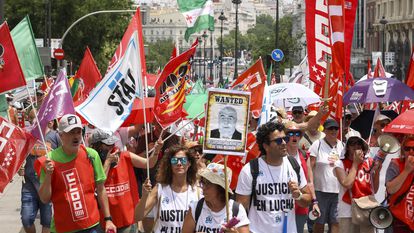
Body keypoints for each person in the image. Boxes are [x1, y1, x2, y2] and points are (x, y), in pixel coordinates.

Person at [38, 114, 116, 233]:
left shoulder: (91, 155)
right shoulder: (49, 160)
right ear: (61, 135)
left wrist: (108, 219)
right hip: (63, 228)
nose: (75, 136)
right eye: (71, 132)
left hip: (91, 226)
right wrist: (48, 175)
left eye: (78, 132)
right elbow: (44, 199)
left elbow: (100, 189)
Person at [236, 121, 312, 233]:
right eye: (277, 140)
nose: (283, 143)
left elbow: (307, 200)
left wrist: (299, 196)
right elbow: (240, 210)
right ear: (266, 146)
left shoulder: (293, 165)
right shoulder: (250, 170)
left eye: (285, 139)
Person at [89, 129, 159, 233]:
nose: (112, 147)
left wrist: (157, 150)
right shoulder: (91, 162)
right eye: (108, 144)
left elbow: (149, 163)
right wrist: (107, 163)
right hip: (104, 223)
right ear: (97, 146)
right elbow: (98, 186)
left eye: (113, 143)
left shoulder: (125, 155)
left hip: (127, 222)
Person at [135, 145, 201, 233]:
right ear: (170, 164)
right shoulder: (160, 189)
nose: (179, 163)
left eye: (183, 160)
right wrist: (144, 197)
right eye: (174, 160)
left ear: (189, 163)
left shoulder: (197, 192)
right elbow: (138, 217)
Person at [182, 163, 250, 233]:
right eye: (203, 182)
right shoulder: (195, 208)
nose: (203, 187)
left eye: (208, 184)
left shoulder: (237, 209)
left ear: (220, 188)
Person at [334, 136, 381, 233]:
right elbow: (347, 184)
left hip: (366, 209)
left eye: (358, 144)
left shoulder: (369, 162)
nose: (356, 146)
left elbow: (374, 189)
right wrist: (355, 164)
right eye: (352, 144)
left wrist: (378, 171)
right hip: (347, 211)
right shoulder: (340, 163)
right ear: (347, 147)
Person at [309, 119, 344, 233]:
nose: (333, 131)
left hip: (338, 191)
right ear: (325, 130)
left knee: (335, 221)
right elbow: (310, 166)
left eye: (336, 128)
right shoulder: (317, 144)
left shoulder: (343, 145)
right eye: (330, 128)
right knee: (319, 221)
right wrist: (310, 185)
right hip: (320, 190)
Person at [285, 121, 318, 233]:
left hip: (301, 203)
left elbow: (309, 181)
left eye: (297, 134)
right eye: (290, 134)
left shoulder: (304, 155)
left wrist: (314, 201)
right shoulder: (279, 156)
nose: (294, 137)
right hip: (283, 205)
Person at [386, 135, 414, 232]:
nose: (411, 152)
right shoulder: (395, 164)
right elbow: (390, 189)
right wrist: (406, 171)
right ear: (402, 151)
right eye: (407, 149)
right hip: (397, 219)